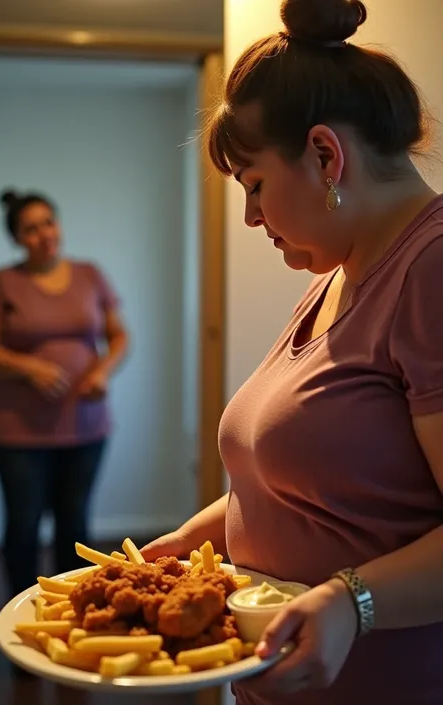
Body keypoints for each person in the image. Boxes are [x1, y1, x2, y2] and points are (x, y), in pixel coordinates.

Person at [142, 0, 443, 703]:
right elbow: (311, 493)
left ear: (324, 154)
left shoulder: (429, 269)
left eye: (254, 186)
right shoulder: (343, 273)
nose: (250, 216)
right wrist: (195, 537)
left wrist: (352, 601)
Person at [0, 190, 128, 598]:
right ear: (16, 239)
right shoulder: (3, 283)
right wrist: (30, 368)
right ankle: (20, 621)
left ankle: (72, 615)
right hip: (18, 433)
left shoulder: (89, 274)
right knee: (23, 526)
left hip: (86, 426)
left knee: (75, 525)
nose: (44, 234)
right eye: (30, 229)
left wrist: (102, 372)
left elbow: (118, 336)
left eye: (48, 222)